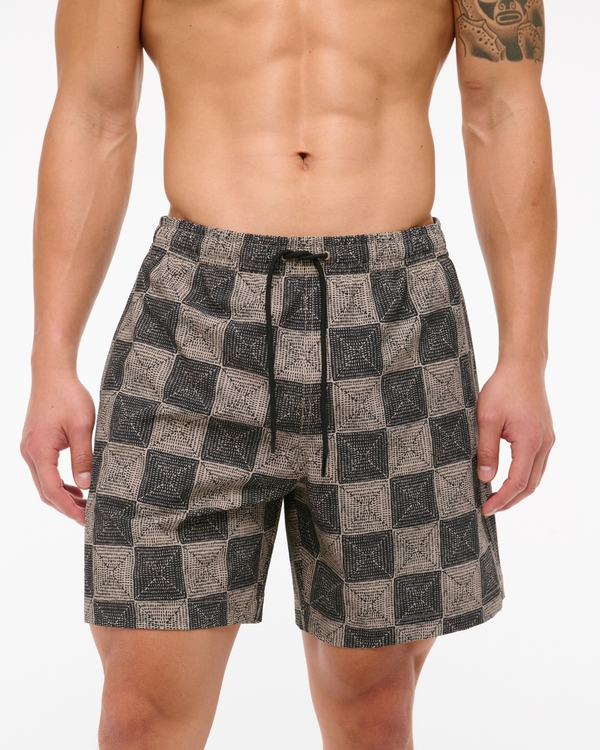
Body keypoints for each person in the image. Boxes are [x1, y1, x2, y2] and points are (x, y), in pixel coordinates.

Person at [20, 0, 556, 747]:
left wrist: (526, 358)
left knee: (375, 709)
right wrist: (51, 357)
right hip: (195, 314)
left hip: (392, 314)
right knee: (140, 714)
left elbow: (502, 109)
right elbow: (93, 115)